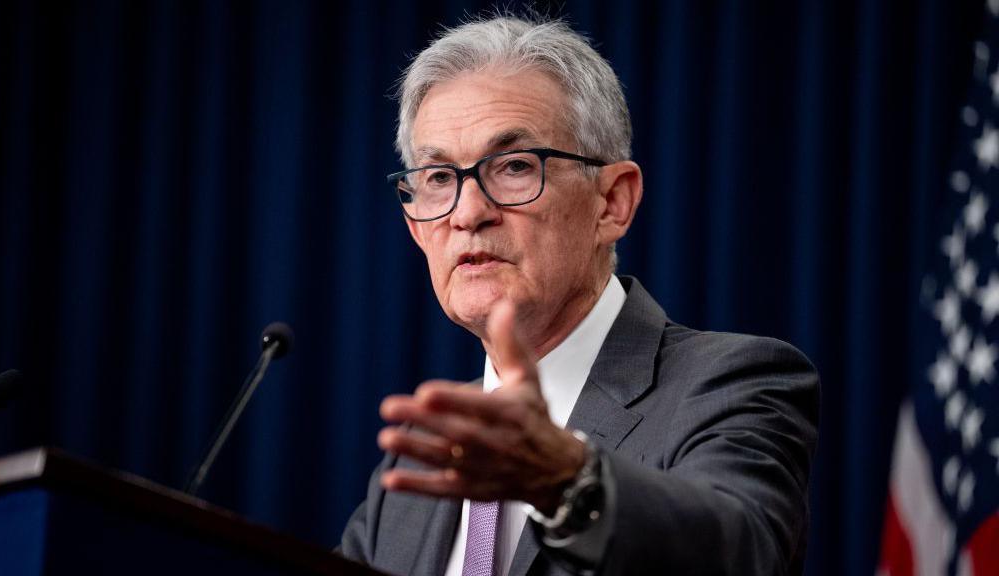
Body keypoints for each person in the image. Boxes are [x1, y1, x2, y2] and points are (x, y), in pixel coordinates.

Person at [340, 14, 819, 576]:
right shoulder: (419, 454)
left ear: (612, 202)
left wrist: (568, 481)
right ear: (417, 226)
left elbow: (744, 552)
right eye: (440, 178)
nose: (468, 213)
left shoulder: (732, 385)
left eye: (515, 166)